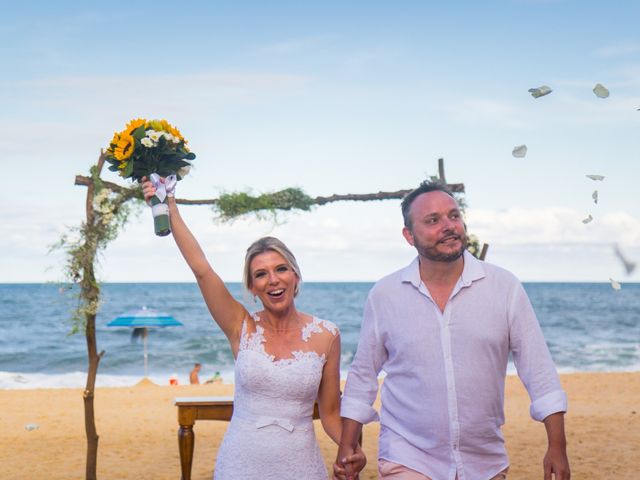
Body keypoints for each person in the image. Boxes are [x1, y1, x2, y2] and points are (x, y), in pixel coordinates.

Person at [334, 180, 570, 480]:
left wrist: (557, 447)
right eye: (433, 220)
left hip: (484, 460)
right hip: (407, 454)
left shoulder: (504, 287)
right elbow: (363, 374)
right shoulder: (385, 294)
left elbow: (538, 370)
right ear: (409, 236)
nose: (448, 226)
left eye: (454, 216)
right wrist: (348, 445)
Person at [142, 177, 364, 480]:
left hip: (301, 466)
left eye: (281, 269)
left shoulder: (327, 335)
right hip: (240, 464)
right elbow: (202, 269)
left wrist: (351, 449)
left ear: (296, 277)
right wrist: (169, 206)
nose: (273, 280)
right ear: (252, 287)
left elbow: (330, 415)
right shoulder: (240, 326)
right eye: (261, 274)